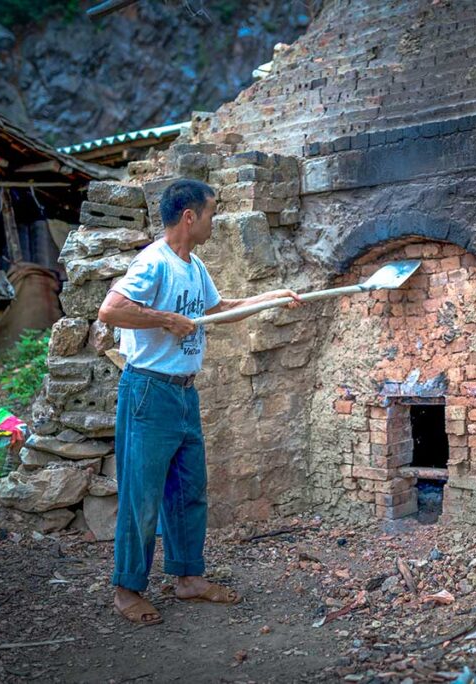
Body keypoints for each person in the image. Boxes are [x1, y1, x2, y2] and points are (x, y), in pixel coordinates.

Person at [97, 179, 302, 626]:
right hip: (149, 391)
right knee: (142, 493)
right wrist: (166, 319)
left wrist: (271, 298)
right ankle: (126, 587)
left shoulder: (194, 266)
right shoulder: (154, 263)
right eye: (211, 212)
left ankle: (188, 578)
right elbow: (110, 310)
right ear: (189, 217)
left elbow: (218, 308)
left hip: (184, 392)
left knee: (189, 490)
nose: (214, 219)